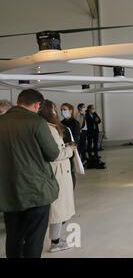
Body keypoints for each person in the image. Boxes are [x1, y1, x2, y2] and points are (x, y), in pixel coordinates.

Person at [0, 89, 60, 258]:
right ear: (37, 105)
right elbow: (52, 153)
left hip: (8, 191)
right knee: (34, 238)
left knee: (13, 236)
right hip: (35, 190)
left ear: (18, 101)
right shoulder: (36, 122)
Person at [39, 100, 76, 253]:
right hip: (58, 172)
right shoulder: (50, 128)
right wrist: (70, 150)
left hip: (56, 171)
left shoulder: (46, 127)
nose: (57, 112)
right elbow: (55, 153)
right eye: (55, 109)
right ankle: (55, 242)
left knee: (57, 208)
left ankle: (55, 239)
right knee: (57, 209)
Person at [61, 103, 81, 189]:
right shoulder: (61, 123)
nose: (63, 111)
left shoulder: (75, 123)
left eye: (65, 109)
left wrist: (71, 147)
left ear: (71, 110)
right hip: (63, 149)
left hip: (72, 149)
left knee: (71, 171)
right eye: (61, 110)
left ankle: (71, 189)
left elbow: (75, 138)